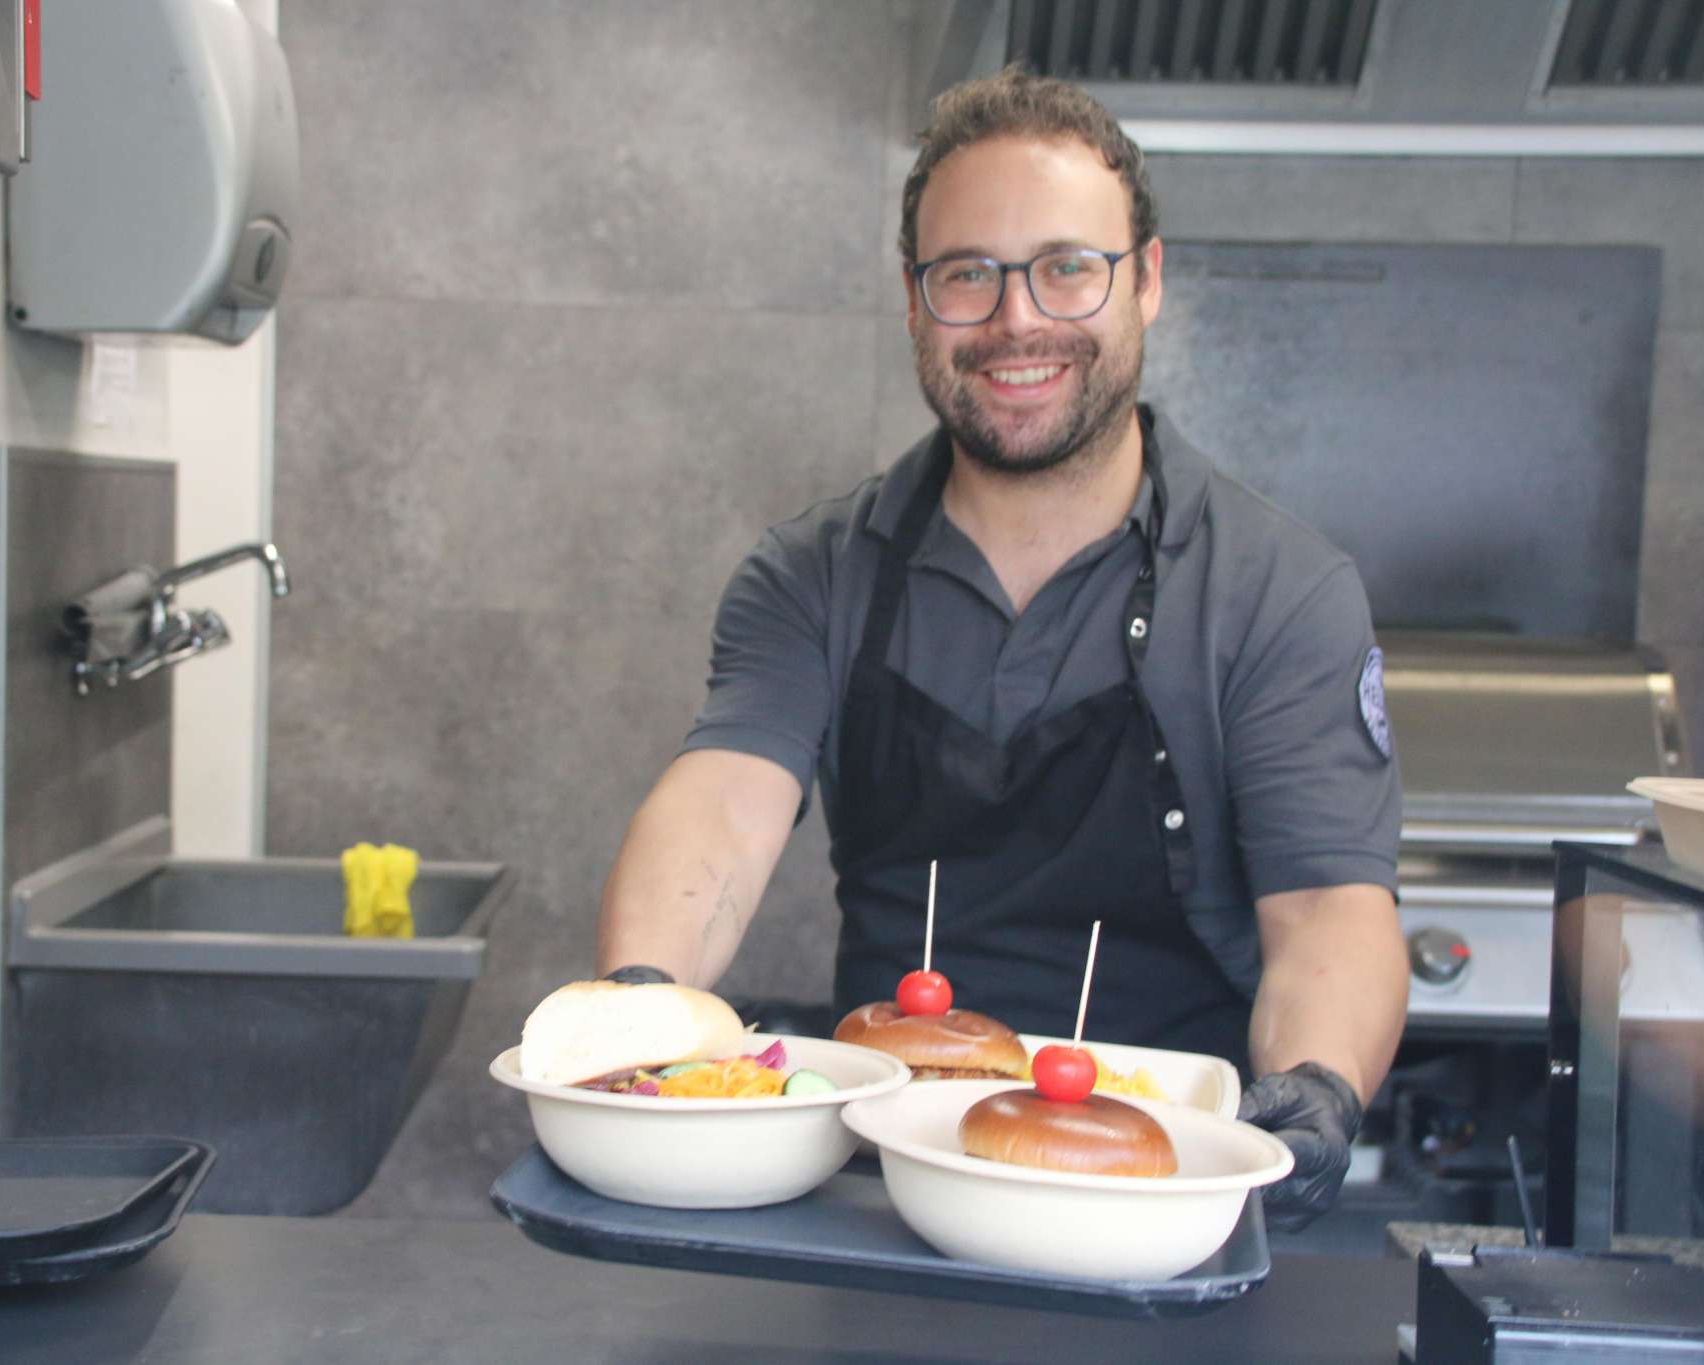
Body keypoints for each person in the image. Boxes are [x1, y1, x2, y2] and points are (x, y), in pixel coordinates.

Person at [594, 68, 1406, 1230]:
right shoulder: (813, 573)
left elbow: (1326, 908)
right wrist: (640, 1006)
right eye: (967, 273)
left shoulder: (1278, 590)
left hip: (1161, 1198)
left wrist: (1316, 1086)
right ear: (913, 302)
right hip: (876, 1198)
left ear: (1146, 281)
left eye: (1066, 267)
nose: (1016, 319)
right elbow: (722, 804)